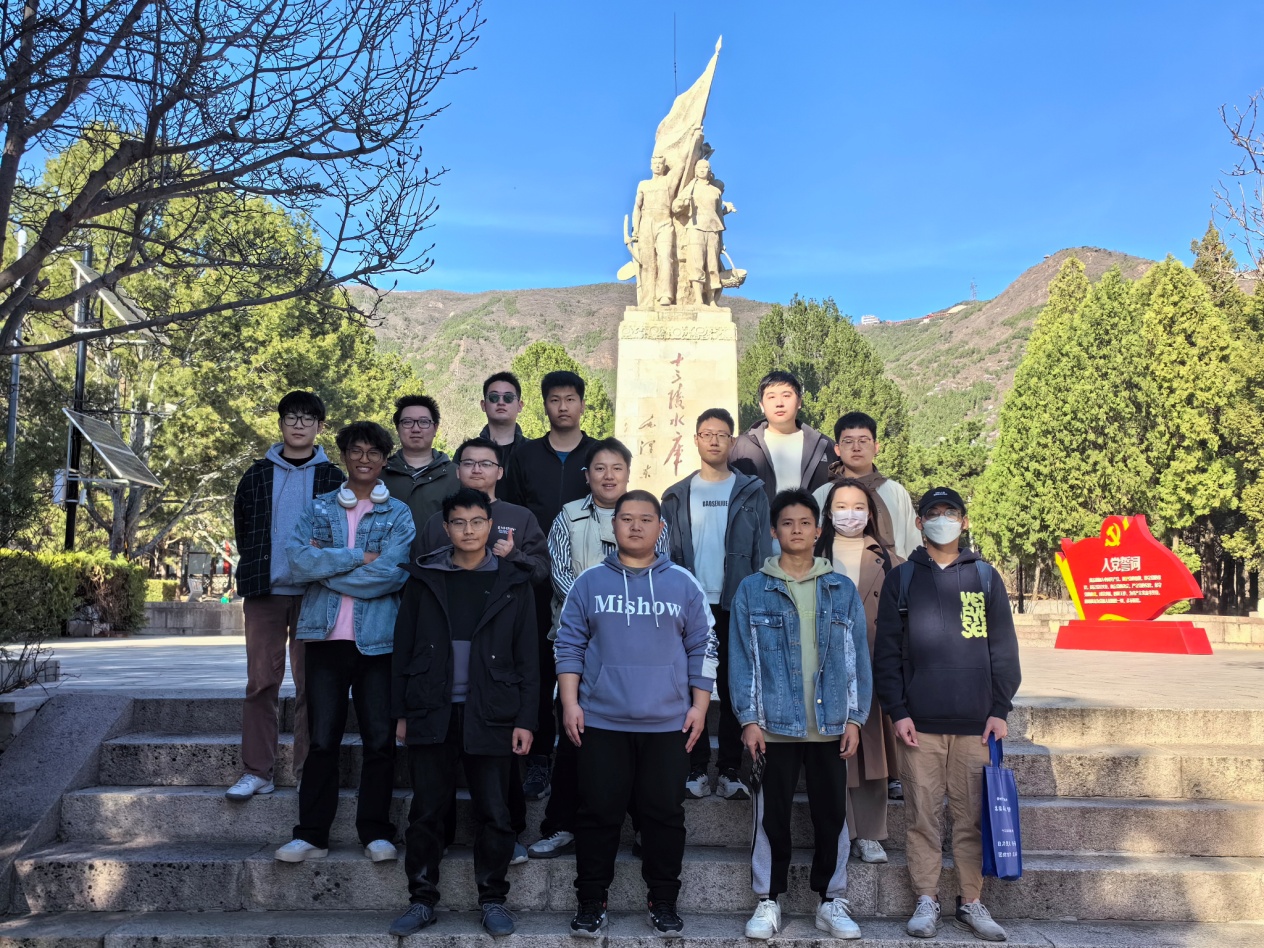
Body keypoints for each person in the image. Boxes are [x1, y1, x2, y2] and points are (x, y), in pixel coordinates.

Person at [554, 490, 717, 938]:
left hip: (667, 723)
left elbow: (704, 646)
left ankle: (663, 901)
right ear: (614, 526)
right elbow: (568, 644)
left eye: (646, 519)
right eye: (627, 518)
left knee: (664, 815)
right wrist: (570, 703)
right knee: (597, 813)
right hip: (601, 720)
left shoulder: (683, 583)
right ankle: (591, 901)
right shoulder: (588, 583)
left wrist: (699, 707)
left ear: (660, 528)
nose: (636, 526)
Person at [388, 488, 539, 937]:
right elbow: (403, 649)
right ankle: (421, 900)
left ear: (490, 526)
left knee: (495, 811)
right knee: (426, 811)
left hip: (491, 710)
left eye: (476, 522)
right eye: (459, 522)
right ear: (446, 528)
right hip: (431, 707)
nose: (468, 531)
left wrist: (525, 720)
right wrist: (401, 712)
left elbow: (528, 658)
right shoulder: (425, 578)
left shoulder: (513, 581)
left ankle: (493, 900)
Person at [873, 486, 1020, 942]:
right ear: (919, 523)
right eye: (933, 513)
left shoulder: (985, 577)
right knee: (922, 816)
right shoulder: (902, 579)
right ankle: (927, 899)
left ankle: (971, 901)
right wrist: (897, 711)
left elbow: (1003, 647)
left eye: (950, 512)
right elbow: (887, 653)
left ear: (964, 521)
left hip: (977, 725)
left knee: (971, 818)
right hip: (920, 725)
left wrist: (1000, 708)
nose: (942, 519)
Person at [729, 489, 870, 941]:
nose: (796, 530)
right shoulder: (753, 589)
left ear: (818, 530)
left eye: (805, 523)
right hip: (774, 726)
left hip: (830, 726)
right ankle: (768, 899)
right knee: (771, 820)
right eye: (787, 523)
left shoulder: (840, 588)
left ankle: (831, 900)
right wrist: (749, 719)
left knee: (832, 817)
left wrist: (855, 718)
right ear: (774, 531)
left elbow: (856, 658)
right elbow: (742, 659)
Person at [274, 421, 415, 863]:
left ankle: (375, 832)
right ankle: (311, 834)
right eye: (356, 450)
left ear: (384, 460)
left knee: (379, 740)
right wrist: (357, 557)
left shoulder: (399, 514)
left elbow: (393, 574)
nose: (364, 459)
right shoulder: (318, 508)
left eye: (374, 452)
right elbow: (298, 561)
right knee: (321, 740)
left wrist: (329, 570)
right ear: (344, 456)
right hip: (324, 637)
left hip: (378, 642)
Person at [527, 437, 670, 860]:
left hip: (636, 652)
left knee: (637, 743)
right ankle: (561, 825)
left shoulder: (647, 515)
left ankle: (643, 827)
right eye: (600, 468)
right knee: (575, 737)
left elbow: (661, 574)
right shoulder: (568, 517)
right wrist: (600, 614)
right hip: (578, 645)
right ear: (586, 475)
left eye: (617, 468)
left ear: (628, 473)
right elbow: (560, 575)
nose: (609, 476)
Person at [412, 436, 548, 865]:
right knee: (436, 779)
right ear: (458, 470)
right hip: (444, 661)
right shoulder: (437, 521)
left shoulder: (519, 517)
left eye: (485, 463)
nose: (476, 469)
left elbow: (542, 571)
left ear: (499, 471)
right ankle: (438, 842)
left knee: (499, 773)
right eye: (468, 462)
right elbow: (422, 573)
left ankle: (508, 839)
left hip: (500, 648)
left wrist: (514, 557)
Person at [227, 391, 343, 801]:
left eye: (308, 418)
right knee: (261, 682)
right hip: (266, 593)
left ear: (319, 427)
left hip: (316, 594)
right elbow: (245, 530)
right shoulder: (256, 475)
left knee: (312, 686)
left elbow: (343, 533)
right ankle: (257, 771)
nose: (298, 425)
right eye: (291, 417)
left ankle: (307, 772)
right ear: (280, 423)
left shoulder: (333, 478)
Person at [660, 407, 771, 800]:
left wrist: (758, 600)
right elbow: (664, 552)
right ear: (695, 440)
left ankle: (728, 770)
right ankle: (694, 767)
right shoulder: (676, 495)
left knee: (732, 684)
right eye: (706, 433)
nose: (713, 440)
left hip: (735, 603)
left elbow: (762, 552)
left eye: (721, 434)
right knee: (689, 685)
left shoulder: (752, 492)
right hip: (689, 605)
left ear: (732, 440)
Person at [502, 370, 596, 801]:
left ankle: (583, 756)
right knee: (537, 669)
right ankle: (539, 758)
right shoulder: (524, 456)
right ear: (544, 405)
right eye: (555, 399)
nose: (563, 406)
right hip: (535, 580)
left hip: (588, 583)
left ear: (582, 404)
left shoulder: (598, 453)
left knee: (586, 670)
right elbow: (513, 514)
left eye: (570, 399)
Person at [814, 478, 901, 865]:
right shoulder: (812, 555)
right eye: (841, 506)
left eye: (858, 507)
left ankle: (869, 833)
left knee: (871, 755)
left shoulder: (889, 560)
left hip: (871, 667)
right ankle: (842, 831)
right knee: (834, 754)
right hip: (821, 667)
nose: (850, 514)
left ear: (871, 513)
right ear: (829, 512)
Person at [811, 412, 920, 559]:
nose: (856, 447)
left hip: (895, 571)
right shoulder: (822, 494)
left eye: (863, 441)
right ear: (837, 449)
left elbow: (913, 541)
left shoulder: (895, 491)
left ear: (876, 447)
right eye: (848, 441)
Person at [730, 371, 834, 504]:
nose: (779, 403)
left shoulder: (824, 446)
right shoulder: (740, 447)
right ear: (761, 405)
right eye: (771, 397)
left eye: (786, 396)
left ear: (799, 402)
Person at [382, 394, 458, 528]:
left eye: (423, 422)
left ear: (435, 428)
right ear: (397, 428)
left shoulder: (456, 475)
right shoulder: (380, 474)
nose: (416, 429)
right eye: (407, 422)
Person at [632, 154, 677, 307]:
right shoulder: (643, 184)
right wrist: (635, 230)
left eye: (660, 163)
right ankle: (647, 297)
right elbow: (637, 207)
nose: (657, 165)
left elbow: (683, 166)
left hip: (664, 221)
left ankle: (665, 294)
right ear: (651, 166)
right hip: (646, 223)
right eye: (655, 163)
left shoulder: (668, 181)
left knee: (665, 258)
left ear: (664, 166)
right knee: (647, 262)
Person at [480, 372, 527, 463]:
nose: (501, 403)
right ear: (483, 405)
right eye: (494, 397)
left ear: (520, 406)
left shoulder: (535, 452)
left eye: (508, 397)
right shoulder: (467, 453)